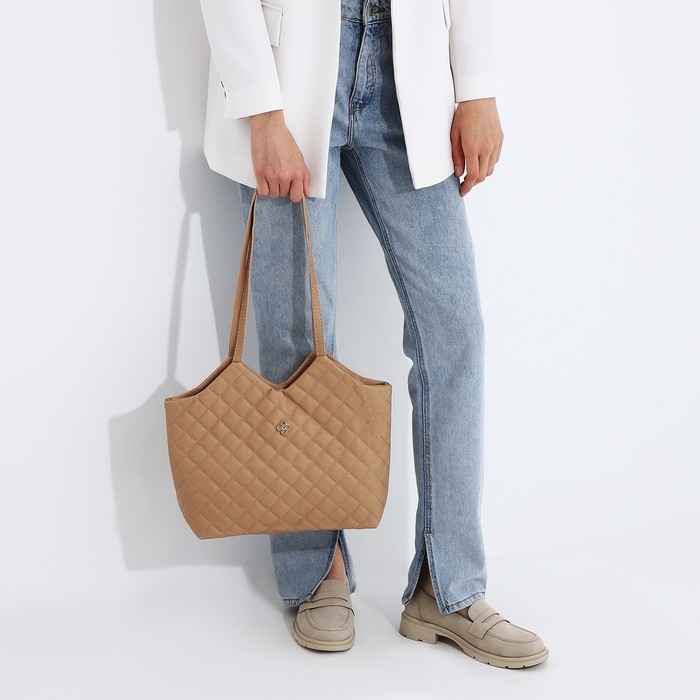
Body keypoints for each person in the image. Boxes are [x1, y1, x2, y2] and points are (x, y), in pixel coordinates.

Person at [197, 0, 548, 667]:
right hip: (291, 65)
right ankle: (316, 570)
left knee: (455, 333)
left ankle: (447, 587)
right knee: (298, 336)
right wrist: (261, 109)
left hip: (408, 67)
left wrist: (476, 86)